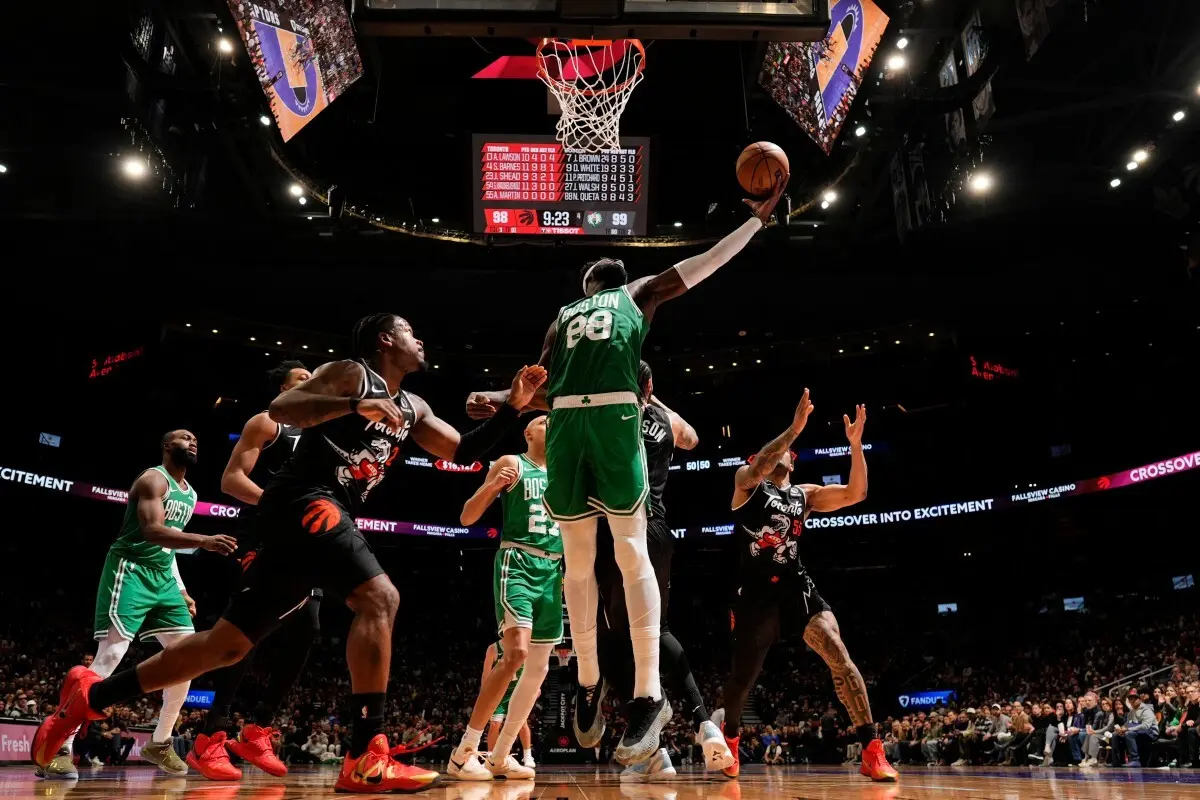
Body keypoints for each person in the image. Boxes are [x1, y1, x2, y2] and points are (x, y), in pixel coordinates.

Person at [32, 314, 546, 795]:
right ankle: (366, 754)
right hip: (302, 499)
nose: (421, 340)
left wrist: (514, 406)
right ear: (385, 341)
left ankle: (90, 698)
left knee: (226, 647)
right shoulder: (351, 374)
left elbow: (462, 452)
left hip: (317, 516)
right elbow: (283, 409)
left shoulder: (414, 408)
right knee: (379, 598)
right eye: (409, 331)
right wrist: (351, 406)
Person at [467, 173, 790, 765]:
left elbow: (540, 390)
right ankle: (593, 678)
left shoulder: (580, 309)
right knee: (600, 552)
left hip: (587, 422)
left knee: (606, 551)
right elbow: (541, 388)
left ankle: (644, 692)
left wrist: (497, 395)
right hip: (582, 417)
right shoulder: (623, 300)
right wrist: (500, 396)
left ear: (593, 281)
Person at [714, 392, 897, 782]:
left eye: (788, 448)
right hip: (754, 593)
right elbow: (762, 461)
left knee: (837, 649)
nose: (777, 454)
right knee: (742, 680)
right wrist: (795, 429)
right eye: (768, 452)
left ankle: (871, 748)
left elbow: (856, 493)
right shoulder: (746, 486)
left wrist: (855, 446)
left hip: (795, 585)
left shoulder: (805, 495)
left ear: (793, 461)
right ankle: (730, 737)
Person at [35, 430, 237, 780]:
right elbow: (153, 532)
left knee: (187, 659)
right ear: (165, 445)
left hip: (163, 577)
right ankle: (60, 747)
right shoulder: (151, 479)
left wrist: (182, 589)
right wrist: (204, 540)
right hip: (130, 569)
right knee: (110, 656)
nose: (192, 442)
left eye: (196, 440)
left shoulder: (190, 494)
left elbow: (168, 549)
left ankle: (160, 743)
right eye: (184, 438)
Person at [594, 361, 733, 781]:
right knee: (658, 628)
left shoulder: (604, 413)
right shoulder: (662, 419)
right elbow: (692, 437)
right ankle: (704, 723)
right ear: (650, 386)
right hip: (657, 527)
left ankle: (651, 742)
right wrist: (653, 397)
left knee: (614, 642)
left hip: (616, 527)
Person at [187, 360, 317, 780]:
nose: (310, 381)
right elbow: (231, 480)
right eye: (301, 378)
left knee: (308, 630)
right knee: (244, 637)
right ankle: (211, 737)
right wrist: (279, 506)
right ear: (282, 388)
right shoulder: (269, 421)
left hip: (309, 542)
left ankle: (258, 728)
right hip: (266, 537)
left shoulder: (325, 433)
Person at [448, 415, 562, 780]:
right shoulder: (513, 462)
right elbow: (467, 516)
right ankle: (465, 749)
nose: (552, 422)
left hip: (554, 570)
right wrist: (494, 485)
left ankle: (500, 755)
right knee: (515, 655)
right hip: (519, 562)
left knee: (540, 669)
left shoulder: (565, 470)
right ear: (528, 432)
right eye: (544, 419)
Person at [480, 642, 535, 768]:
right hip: (499, 691)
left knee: (522, 723)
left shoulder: (523, 646)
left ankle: (527, 755)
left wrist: (535, 687)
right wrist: (485, 694)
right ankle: (490, 757)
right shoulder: (493, 649)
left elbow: (532, 670)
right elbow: (485, 674)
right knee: (494, 725)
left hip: (517, 690)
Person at [1111, 688, 1158, 767]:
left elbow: (1146, 726)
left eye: (1133, 699)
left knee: (1129, 733)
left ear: (1139, 699)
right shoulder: (1131, 712)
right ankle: (1117, 761)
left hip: (1151, 733)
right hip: (1138, 732)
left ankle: (1135, 760)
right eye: (1129, 699)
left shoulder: (1147, 710)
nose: (1131, 701)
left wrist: (1128, 729)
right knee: (1115, 734)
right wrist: (1121, 729)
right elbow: (1127, 724)